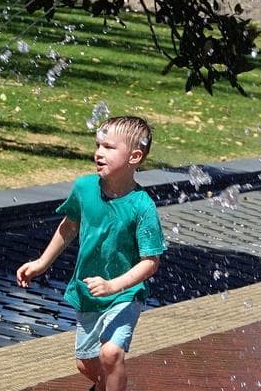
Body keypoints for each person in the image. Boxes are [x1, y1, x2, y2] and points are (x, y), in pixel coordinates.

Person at [17, 115, 166, 391]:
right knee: (86, 364)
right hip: (88, 292)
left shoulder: (142, 206)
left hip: (124, 293)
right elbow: (69, 225)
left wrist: (113, 286)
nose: (99, 153)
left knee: (111, 353)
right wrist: (42, 263)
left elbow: (150, 262)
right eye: (98, 145)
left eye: (109, 147)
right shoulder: (84, 189)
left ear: (134, 157)